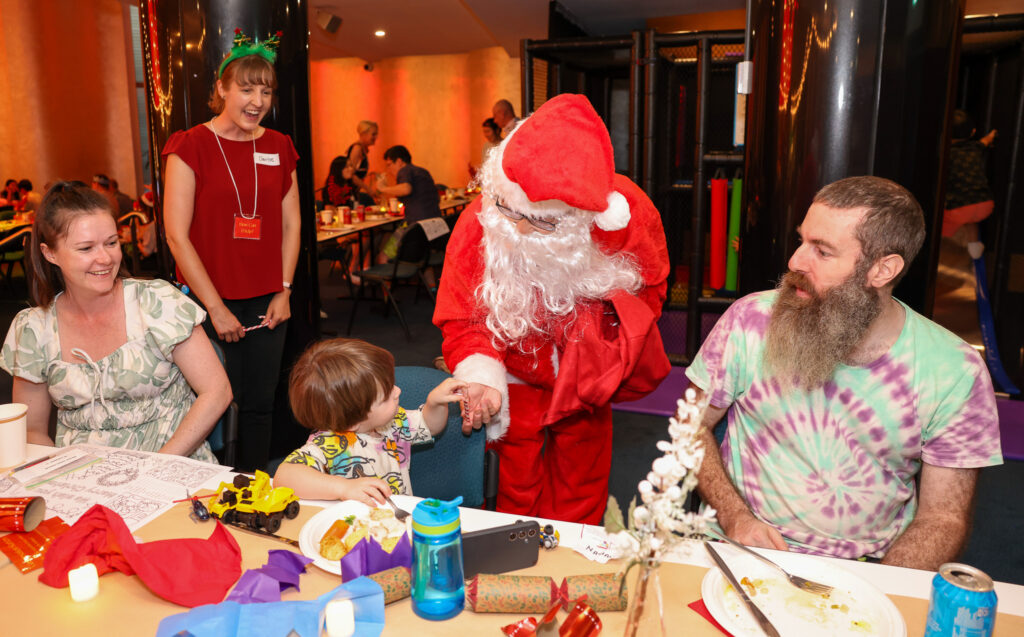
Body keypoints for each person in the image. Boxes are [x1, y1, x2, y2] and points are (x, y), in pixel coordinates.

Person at [686, 176, 1002, 570]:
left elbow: (943, 518)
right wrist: (734, 516)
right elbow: (690, 426)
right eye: (802, 240)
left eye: (822, 251)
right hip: (738, 549)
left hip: (866, 565)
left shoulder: (955, 372)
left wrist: (884, 591)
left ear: (883, 269)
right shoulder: (750, 319)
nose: (795, 261)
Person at [434, 94, 671, 524]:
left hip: (584, 378)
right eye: (509, 209)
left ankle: (574, 570)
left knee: (581, 483)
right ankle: (513, 565)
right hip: (513, 369)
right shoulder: (483, 220)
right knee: (514, 487)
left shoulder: (625, 217)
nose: (518, 228)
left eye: (541, 221)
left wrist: (610, 351)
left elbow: (650, 290)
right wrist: (481, 374)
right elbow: (462, 313)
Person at [0, 183, 231, 461]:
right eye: (86, 248)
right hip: (82, 474)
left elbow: (216, 391)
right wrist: (58, 478)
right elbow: (33, 432)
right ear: (50, 254)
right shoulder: (33, 329)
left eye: (111, 242)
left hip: (171, 462)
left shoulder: (156, 302)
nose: (105, 258)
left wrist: (157, 466)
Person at [162, 29, 300, 472]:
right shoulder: (190, 145)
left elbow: (292, 223)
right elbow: (175, 236)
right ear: (221, 88)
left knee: (259, 405)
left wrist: (284, 290)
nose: (257, 100)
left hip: (267, 301)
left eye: (265, 91)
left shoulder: (279, 146)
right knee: (211, 405)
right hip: (204, 305)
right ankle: (206, 489)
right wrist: (216, 307)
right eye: (246, 88)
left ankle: (254, 491)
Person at [274, 338, 467, 505]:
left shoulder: (394, 423)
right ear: (352, 421)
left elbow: (430, 426)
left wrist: (434, 404)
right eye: (386, 396)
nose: (398, 391)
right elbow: (283, 477)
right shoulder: (330, 443)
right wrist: (343, 488)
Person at [943, 109, 997, 241]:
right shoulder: (975, 147)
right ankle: (975, 250)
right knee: (971, 222)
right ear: (973, 132)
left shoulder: (946, 152)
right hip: (985, 204)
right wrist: (992, 135)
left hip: (958, 208)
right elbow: (985, 141)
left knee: (941, 227)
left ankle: (945, 252)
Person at [370, 145, 441, 225]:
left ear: (399, 162)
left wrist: (383, 188)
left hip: (419, 223)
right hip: (436, 220)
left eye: (389, 165)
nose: (388, 170)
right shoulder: (423, 171)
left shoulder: (405, 170)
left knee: (391, 236)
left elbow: (406, 189)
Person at [343, 120, 379, 204]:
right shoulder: (357, 149)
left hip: (353, 192)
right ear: (363, 134)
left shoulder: (362, 149)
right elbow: (350, 175)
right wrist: (368, 189)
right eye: (373, 134)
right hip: (348, 194)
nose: (376, 137)